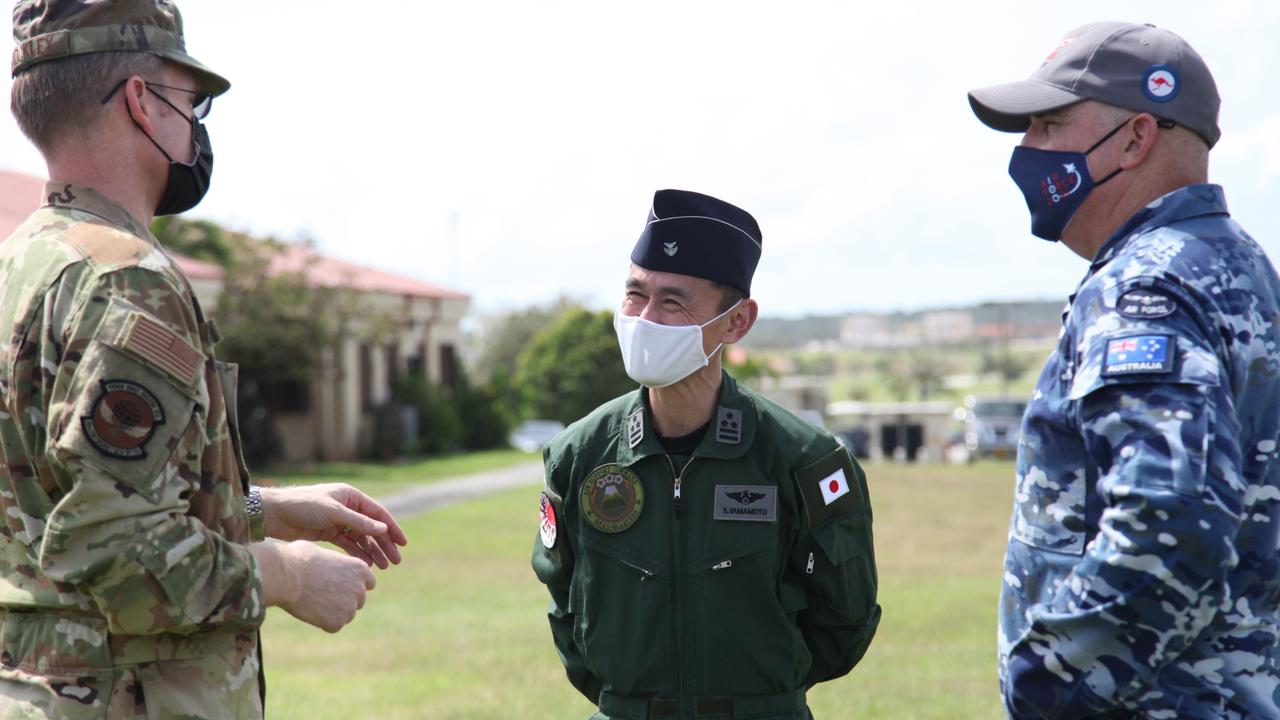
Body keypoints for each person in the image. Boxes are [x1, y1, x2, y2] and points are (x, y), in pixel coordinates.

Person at [0, 1, 408, 717]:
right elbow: (117, 549)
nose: (193, 126)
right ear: (141, 102)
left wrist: (264, 510)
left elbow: (52, 501)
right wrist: (287, 575)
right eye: (191, 102)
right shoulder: (128, 280)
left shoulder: (18, 266)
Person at [969, 21, 1280, 719]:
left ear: (1137, 138)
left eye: (1049, 124)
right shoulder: (1238, 268)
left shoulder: (1144, 287)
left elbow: (1171, 514)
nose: (1027, 151)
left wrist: (1051, 676)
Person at [531, 189, 880, 720]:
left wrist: (757, 698)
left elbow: (845, 620)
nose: (645, 319)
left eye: (672, 301)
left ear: (736, 323)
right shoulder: (578, 455)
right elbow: (564, 599)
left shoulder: (806, 460)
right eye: (634, 294)